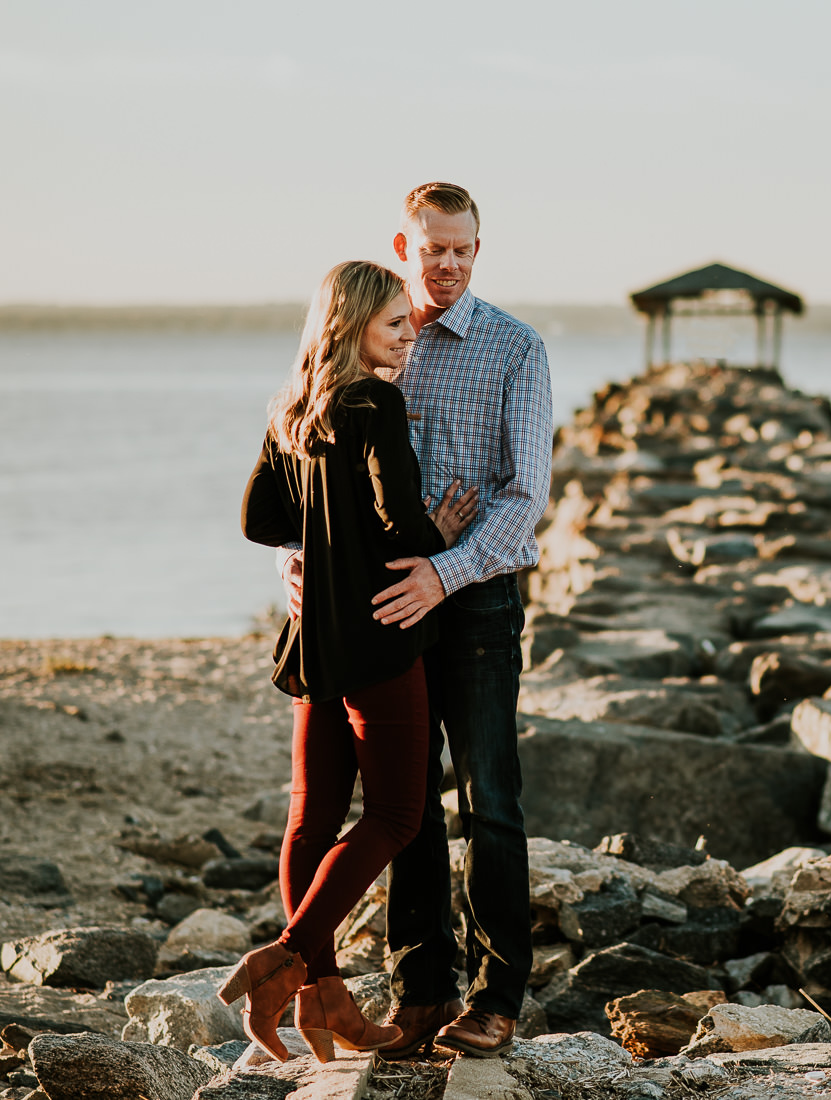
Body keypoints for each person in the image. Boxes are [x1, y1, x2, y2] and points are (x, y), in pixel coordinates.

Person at [279, 182, 553, 1059]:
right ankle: (422, 992)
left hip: (472, 598)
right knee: (407, 805)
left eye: (463, 249)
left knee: (490, 801)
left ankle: (498, 996)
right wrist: (298, 559)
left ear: (480, 249)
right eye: (433, 248)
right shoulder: (371, 332)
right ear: (403, 246)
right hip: (377, 607)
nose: (448, 264)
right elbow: (305, 466)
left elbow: (524, 496)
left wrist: (447, 570)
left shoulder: (515, 348)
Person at [230, 260, 482, 1062]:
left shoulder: (294, 406)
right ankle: (290, 957)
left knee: (312, 820)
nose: (410, 336)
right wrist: (440, 534)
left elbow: (259, 520)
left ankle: (322, 997)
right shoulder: (376, 400)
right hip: (377, 638)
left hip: (314, 646)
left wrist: (316, 550)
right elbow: (403, 527)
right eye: (394, 325)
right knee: (398, 816)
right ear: (353, 329)